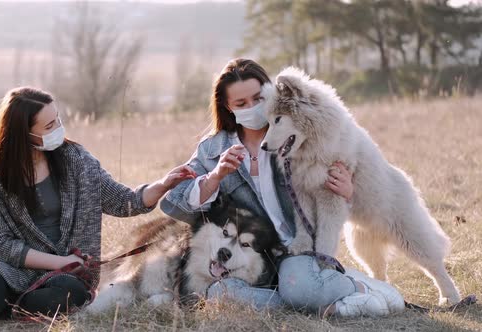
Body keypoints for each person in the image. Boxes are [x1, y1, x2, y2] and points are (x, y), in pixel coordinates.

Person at [0, 87, 195, 323]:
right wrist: (56, 262)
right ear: (23, 134)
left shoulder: (78, 161)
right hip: (11, 266)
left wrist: (163, 184)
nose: (59, 130)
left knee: (66, 298)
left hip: (68, 276)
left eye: (58, 120)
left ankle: (12, 306)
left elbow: (123, 201)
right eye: (49, 125)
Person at [160, 58, 404, 317]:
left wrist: (347, 191)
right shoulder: (212, 150)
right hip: (250, 255)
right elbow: (174, 201)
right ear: (227, 107)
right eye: (241, 104)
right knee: (221, 293)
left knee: (297, 287)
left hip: (297, 248)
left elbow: (344, 179)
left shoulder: (294, 134)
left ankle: (360, 287)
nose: (251, 108)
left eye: (257, 99)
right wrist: (215, 177)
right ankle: (323, 303)